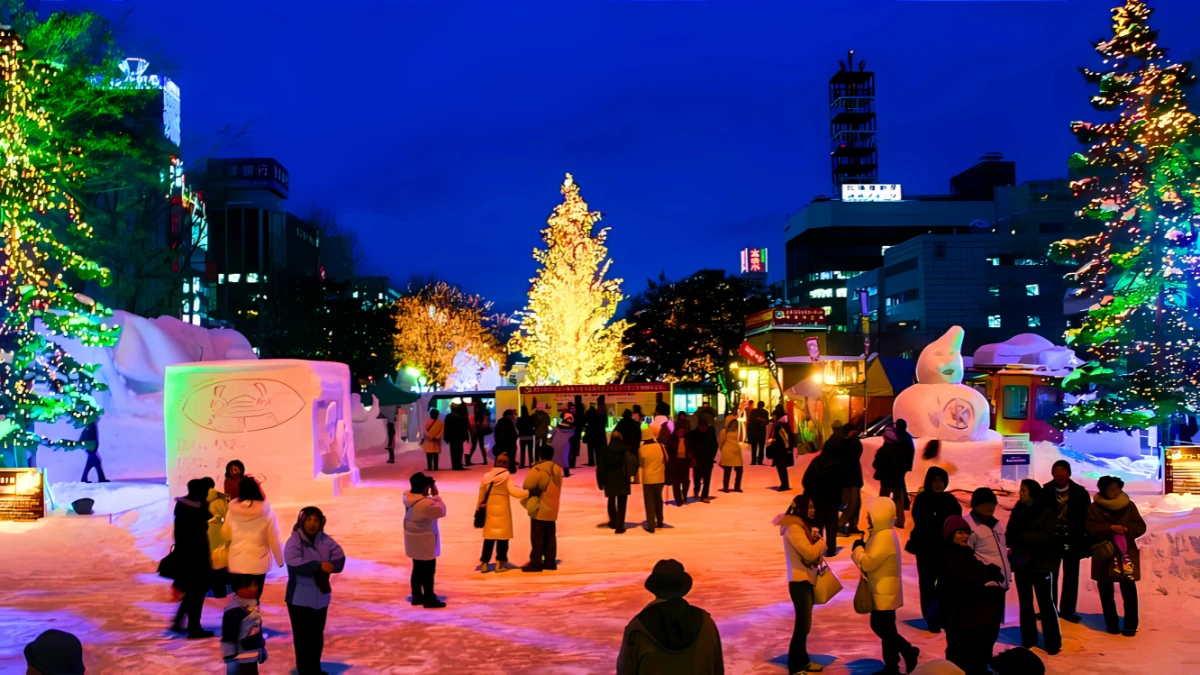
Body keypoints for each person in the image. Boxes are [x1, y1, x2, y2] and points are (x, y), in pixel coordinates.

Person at [616, 559, 724, 674]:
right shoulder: (706, 623)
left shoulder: (637, 629)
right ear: (683, 587)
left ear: (655, 588)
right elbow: (718, 670)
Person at [851, 497, 919, 675]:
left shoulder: (883, 536)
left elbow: (868, 563)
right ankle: (892, 666)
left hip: (884, 591)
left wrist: (857, 549)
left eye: (870, 513)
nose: (867, 517)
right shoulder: (882, 534)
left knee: (881, 626)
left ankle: (907, 651)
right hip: (883, 590)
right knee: (887, 628)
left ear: (879, 514)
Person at [939, 515, 1005, 675]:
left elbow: (979, 571)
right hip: (960, 618)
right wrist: (987, 584)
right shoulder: (947, 556)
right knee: (960, 657)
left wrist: (992, 573)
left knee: (978, 654)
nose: (965, 536)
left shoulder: (966, 552)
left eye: (967, 532)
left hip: (975, 617)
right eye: (960, 532)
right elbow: (962, 582)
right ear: (950, 534)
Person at [285, 506, 346, 675]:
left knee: (316, 637)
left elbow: (339, 557)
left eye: (316, 520)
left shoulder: (325, 540)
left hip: (321, 597)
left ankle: (314, 668)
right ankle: (305, 670)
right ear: (302, 521)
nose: (312, 524)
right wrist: (319, 565)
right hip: (299, 599)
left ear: (321, 523)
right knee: (303, 638)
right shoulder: (294, 541)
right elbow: (294, 563)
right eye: (309, 519)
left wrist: (332, 566)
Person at [1086, 475, 1146, 636]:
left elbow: (1140, 526)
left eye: (1117, 488)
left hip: (1125, 554)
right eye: (1111, 488)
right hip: (1104, 553)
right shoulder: (1094, 508)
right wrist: (1110, 528)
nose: (1114, 491)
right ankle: (1111, 623)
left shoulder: (1129, 505)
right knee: (1106, 591)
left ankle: (1130, 625)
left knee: (1129, 590)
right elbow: (1089, 528)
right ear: (1103, 490)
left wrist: (1126, 530)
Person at [1007, 479, 1061, 654]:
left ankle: (1053, 642)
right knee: (1025, 603)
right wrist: (1023, 537)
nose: (1020, 493)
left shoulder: (1046, 510)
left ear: (1032, 492)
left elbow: (1047, 536)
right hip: (1022, 564)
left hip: (1041, 564)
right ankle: (1028, 638)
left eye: (1024, 490)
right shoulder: (1018, 509)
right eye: (1020, 490)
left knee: (1046, 603)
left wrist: (1022, 536)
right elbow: (1009, 535)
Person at [907, 467, 961, 633]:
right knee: (927, 585)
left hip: (945, 550)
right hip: (926, 549)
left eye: (941, 480)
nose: (938, 484)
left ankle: (944, 616)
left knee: (945, 585)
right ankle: (931, 619)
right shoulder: (922, 499)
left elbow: (956, 522)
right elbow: (922, 522)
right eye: (935, 480)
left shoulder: (950, 500)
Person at [778, 494, 825, 675]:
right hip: (799, 582)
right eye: (810, 507)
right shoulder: (794, 529)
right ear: (801, 509)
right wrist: (821, 542)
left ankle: (802, 660)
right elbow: (809, 554)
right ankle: (796, 665)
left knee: (805, 625)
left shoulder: (803, 527)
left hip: (805, 580)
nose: (813, 510)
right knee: (802, 626)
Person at [964, 488, 1010, 668]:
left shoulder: (996, 524)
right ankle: (976, 666)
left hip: (999, 585)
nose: (991, 506)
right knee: (981, 630)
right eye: (986, 503)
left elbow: (1000, 551)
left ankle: (983, 663)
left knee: (992, 630)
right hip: (983, 586)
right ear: (976, 505)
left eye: (993, 503)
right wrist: (984, 573)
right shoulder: (968, 525)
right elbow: (968, 556)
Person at [1040, 459, 1090, 623]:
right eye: (1056, 470)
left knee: (1071, 575)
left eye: (1063, 470)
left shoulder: (1080, 493)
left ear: (1068, 473)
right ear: (1052, 473)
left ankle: (1068, 610)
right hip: (1051, 540)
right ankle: (1049, 608)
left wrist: (1085, 540)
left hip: (1073, 539)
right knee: (1049, 576)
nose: (1060, 474)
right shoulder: (1045, 491)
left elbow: (1086, 518)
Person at [221, 477, 284, 600]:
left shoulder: (232, 511)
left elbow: (226, 534)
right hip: (258, 564)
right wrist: (280, 561)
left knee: (239, 601)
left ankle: (237, 618)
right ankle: (252, 618)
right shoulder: (267, 511)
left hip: (237, 562)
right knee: (253, 601)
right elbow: (274, 538)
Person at [173, 478, 215, 638]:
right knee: (197, 594)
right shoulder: (199, 508)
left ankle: (180, 622)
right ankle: (194, 627)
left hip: (183, 556)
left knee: (191, 592)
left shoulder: (182, 506)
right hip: (198, 557)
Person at [477, 453, 529, 572]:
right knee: (503, 538)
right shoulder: (506, 475)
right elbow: (514, 492)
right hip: (503, 510)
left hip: (490, 509)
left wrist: (478, 511)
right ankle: (500, 563)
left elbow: (481, 496)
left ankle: (484, 563)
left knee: (489, 538)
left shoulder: (486, 476)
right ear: (507, 464)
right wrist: (529, 493)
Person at [404, 472, 447, 607]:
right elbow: (441, 511)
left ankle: (417, 595)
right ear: (425, 487)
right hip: (425, 541)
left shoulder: (408, 497)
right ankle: (429, 598)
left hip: (413, 540)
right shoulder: (427, 504)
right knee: (428, 571)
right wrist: (436, 496)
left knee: (417, 569)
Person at [521, 445, 563, 572]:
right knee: (550, 536)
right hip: (552, 507)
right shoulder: (557, 469)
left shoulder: (538, 469)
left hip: (540, 507)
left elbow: (527, 485)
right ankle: (550, 561)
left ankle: (536, 562)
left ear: (540, 454)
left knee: (537, 536)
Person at [802, 438, 842, 557]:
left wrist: (812, 492)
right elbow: (841, 482)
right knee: (831, 525)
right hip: (832, 499)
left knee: (817, 525)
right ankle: (831, 548)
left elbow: (806, 480)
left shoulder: (817, 461)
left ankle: (817, 548)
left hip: (817, 499)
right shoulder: (838, 464)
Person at [221, 575, 267, 674]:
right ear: (241, 589)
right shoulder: (234, 611)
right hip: (240, 657)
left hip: (252, 653)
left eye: (256, 585)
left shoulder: (252, 605)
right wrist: (230, 656)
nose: (256, 588)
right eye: (252, 585)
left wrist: (261, 648)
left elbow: (257, 629)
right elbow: (228, 635)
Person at [874, 420, 914, 528]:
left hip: (886, 479)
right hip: (898, 479)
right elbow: (907, 458)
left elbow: (876, 464)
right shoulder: (901, 448)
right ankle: (901, 521)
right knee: (898, 500)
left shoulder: (883, 450)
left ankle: (882, 519)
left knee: (883, 499)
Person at [825, 422, 863, 535]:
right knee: (851, 504)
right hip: (848, 478)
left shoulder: (834, 442)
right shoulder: (846, 443)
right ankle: (838, 526)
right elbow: (856, 453)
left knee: (853, 504)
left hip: (848, 477)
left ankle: (851, 526)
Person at [598, 428, 639, 534]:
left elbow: (601, 468)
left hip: (609, 478)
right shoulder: (626, 449)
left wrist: (600, 481)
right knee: (622, 502)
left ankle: (613, 522)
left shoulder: (605, 451)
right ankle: (620, 526)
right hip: (623, 477)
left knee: (611, 500)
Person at [638, 426, 667, 533]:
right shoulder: (660, 446)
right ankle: (660, 520)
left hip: (647, 479)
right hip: (659, 477)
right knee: (658, 499)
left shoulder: (641, 449)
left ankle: (651, 525)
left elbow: (641, 464)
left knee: (649, 502)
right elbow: (666, 459)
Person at [206, 479, 231, 598]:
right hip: (227, 556)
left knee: (216, 578)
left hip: (212, 558)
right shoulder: (222, 500)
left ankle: (218, 598)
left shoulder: (207, 525)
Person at [688, 414, 719, 503]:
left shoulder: (710, 432)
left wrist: (712, 456)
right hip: (697, 460)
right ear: (699, 426)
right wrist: (692, 458)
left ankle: (704, 496)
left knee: (707, 479)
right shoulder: (693, 434)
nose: (703, 428)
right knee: (697, 478)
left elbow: (715, 445)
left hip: (708, 460)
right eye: (702, 426)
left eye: (705, 426)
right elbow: (690, 447)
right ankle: (696, 490)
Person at [665, 412, 692, 506]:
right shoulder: (671, 439)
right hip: (675, 464)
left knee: (685, 482)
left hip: (685, 463)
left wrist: (689, 455)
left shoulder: (688, 439)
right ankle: (679, 501)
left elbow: (692, 448)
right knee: (676, 483)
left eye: (682, 431)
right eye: (679, 431)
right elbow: (667, 450)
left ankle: (684, 495)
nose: (681, 432)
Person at [768, 408, 795, 491]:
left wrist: (774, 440)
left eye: (774, 415)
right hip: (782, 450)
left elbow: (784, 439)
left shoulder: (780, 425)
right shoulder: (782, 424)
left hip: (780, 450)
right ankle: (784, 484)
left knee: (781, 467)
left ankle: (784, 484)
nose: (773, 417)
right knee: (782, 467)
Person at [550, 403, 576, 478]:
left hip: (555, 443)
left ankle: (554, 473)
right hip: (565, 445)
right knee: (565, 458)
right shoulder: (572, 428)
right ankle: (566, 473)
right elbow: (573, 437)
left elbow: (551, 432)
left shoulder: (558, 427)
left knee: (555, 459)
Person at [718, 416, 744, 493]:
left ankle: (737, 486)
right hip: (727, 452)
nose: (735, 423)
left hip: (737, 453)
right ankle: (725, 487)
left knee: (739, 470)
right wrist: (722, 451)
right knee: (728, 470)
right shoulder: (724, 431)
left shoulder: (736, 430)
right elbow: (721, 442)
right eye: (733, 422)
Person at [444, 404, 470, 471]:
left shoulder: (448, 416)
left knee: (453, 451)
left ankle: (455, 465)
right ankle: (458, 465)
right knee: (459, 451)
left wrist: (446, 437)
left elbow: (446, 428)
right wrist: (466, 436)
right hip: (459, 437)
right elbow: (464, 428)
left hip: (452, 437)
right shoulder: (461, 416)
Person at [466, 400, 491, 467]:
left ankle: (484, 460)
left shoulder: (482, 416)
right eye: (476, 408)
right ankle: (468, 460)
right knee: (473, 447)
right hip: (475, 432)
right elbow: (471, 425)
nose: (477, 409)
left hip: (480, 432)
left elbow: (486, 424)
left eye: (478, 408)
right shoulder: (472, 416)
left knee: (480, 446)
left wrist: (481, 425)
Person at [584, 396, 608, 467]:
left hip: (591, 433)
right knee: (598, 449)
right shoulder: (601, 411)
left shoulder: (590, 412)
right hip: (599, 433)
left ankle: (591, 462)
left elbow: (585, 421)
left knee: (590, 449)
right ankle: (598, 461)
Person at [747, 401, 769, 465]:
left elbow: (751, 420)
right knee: (759, 447)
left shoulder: (754, 411)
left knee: (755, 447)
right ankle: (758, 461)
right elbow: (767, 422)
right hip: (760, 431)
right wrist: (761, 420)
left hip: (755, 431)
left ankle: (754, 461)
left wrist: (762, 420)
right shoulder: (765, 412)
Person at [517, 405, 536, 469]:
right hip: (530, 436)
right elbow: (534, 425)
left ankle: (522, 464)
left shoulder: (519, 419)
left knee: (522, 451)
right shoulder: (531, 418)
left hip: (522, 437)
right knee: (530, 451)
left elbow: (518, 426)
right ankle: (531, 464)